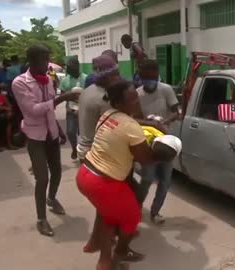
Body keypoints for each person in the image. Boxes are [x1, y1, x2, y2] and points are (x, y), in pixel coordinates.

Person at [76, 80, 175, 270]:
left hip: (85, 174)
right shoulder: (131, 128)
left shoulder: (107, 114)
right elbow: (145, 159)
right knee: (132, 217)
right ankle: (120, 251)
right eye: (132, 100)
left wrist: (150, 122)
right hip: (104, 182)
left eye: (136, 98)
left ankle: (103, 257)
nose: (137, 102)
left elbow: (130, 123)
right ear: (120, 103)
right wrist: (165, 152)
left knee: (109, 217)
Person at [12, 44, 79, 237]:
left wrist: (59, 129)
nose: (47, 64)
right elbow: (33, 110)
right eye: (44, 60)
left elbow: (49, 110)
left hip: (51, 133)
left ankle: (52, 199)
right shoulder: (20, 82)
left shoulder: (47, 80)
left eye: (48, 59)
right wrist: (63, 98)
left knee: (57, 170)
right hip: (35, 136)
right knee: (42, 178)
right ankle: (41, 219)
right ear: (32, 61)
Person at [136, 59, 180, 224]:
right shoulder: (137, 94)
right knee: (147, 178)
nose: (150, 82)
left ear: (157, 75)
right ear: (141, 78)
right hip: (148, 144)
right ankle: (136, 209)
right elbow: (134, 119)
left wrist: (165, 121)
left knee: (165, 180)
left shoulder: (166, 90)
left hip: (166, 142)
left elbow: (177, 112)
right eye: (146, 78)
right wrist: (150, 123)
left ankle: (155, 211)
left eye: (153, 78)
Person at [59, 58, 87, 160]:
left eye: (70, 67)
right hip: (71, 109)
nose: (67, 69)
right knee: (70, 132)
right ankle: (74, 148)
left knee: (83, 133)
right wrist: (67, 108)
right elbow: (62, 96)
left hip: (84, 110)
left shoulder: (86, 78)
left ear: (77, 66)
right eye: (67, 67)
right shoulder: (65, 81)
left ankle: (83, 154)